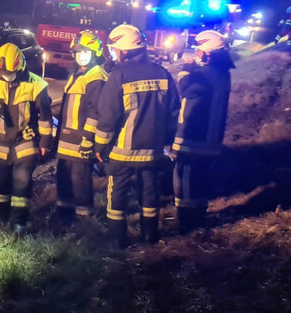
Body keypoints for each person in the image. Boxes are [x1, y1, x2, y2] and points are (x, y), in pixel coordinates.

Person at [95, 24, 180, 247]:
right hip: (153, 152)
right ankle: (150, 238)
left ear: (123, 50)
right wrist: (167, 142)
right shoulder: (163, 74)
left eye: (115, 49)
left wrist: (100, 147)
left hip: (122, 152)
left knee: (117, 197)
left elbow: (108, 117)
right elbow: (173, 114)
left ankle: (116, 240)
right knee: (150, 195)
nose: (113, 53)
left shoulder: (119, 75)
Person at [0, 43, 53, 234]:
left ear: (20, 66)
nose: (5, 75)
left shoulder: (37, 85)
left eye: (9, 72)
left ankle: (18, 222)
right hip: (0, 144)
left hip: (25, 142)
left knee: (22, 183)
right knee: (1, 184)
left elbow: (45, 117)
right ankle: (1, 215)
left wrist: (45, 142)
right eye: (2, 72)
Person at [172, 30, 233, 234]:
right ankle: (196, 217)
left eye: (199, 52)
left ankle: (188, 223)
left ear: (208, 53)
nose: (196, 55)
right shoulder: (222, 72)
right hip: (209, 136)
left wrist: (185, 71)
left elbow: (186, 89)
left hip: (196, 138)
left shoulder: (206, 74)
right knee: (198, 179)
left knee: (187, 178)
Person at [54, 31, 108, 224]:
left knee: (80, 179)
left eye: (86, 52)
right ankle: (64, 214)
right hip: (67, 138)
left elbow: (96, 112)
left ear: (95, 53)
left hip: (81, 139)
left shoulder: (96, 76)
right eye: (77, 52)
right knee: (63, 175)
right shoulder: (76, 73)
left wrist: (88, 138)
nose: (81, 55)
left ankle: (84, 218)